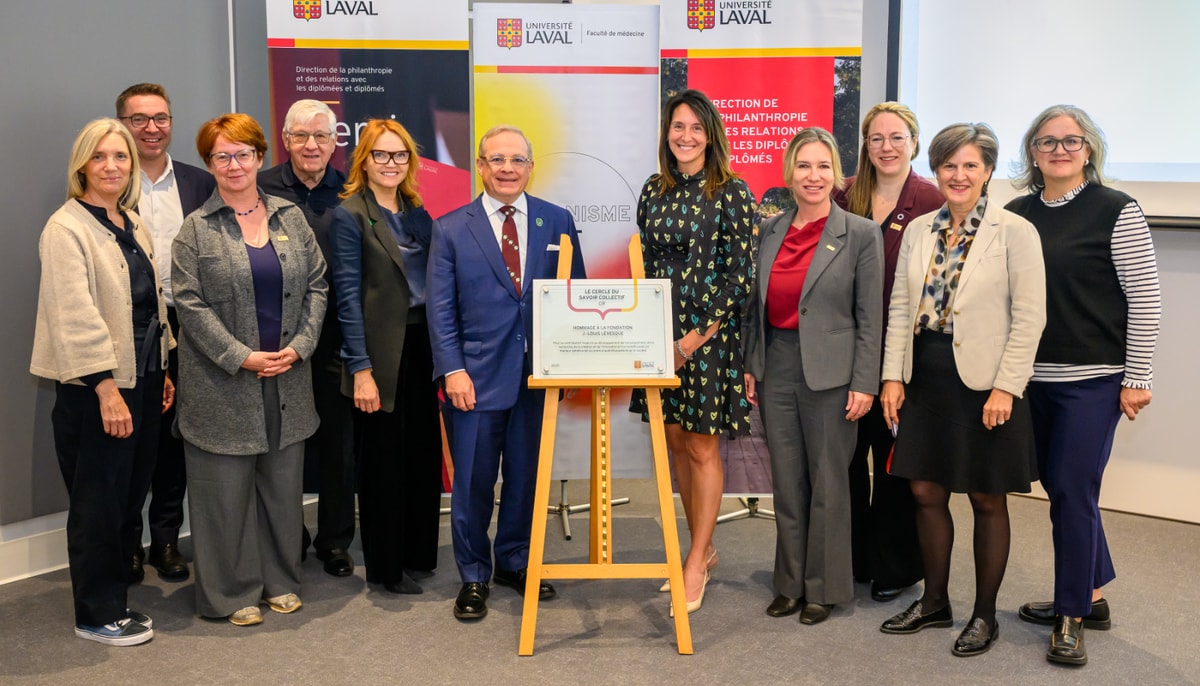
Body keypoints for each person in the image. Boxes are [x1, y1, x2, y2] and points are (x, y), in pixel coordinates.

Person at [878, 123, 1045, 657]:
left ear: (989, 171)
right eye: (949, 165)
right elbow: (901, 308)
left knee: (986, 497)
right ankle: (935, 602)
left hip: (985, 381)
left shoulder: (1013, 230)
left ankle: (984, 614)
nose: (958, 175)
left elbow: (1030, 317)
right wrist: (892, 375)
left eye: (970, 165)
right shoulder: (920, 229)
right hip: (925, 372)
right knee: (925, 490)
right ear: (937, 170)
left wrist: (1007, 388)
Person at [1006, 105, 1161, 666]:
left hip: (1095, 379)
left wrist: (1138, 377)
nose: (1060, 149)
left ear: (1089, 149)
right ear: (1032, 153)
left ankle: (1069, 616)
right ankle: (1092, 594)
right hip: (1032, 378)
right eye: (1046, 142)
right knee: (1064, 486)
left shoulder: (1117, 210)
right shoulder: (1017, 213)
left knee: (1071, 489)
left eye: (1071, 141)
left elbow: (1144, 298)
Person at [172, 113, 327, 627]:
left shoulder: (289, 217)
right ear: (209, 164)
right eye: (222, 155)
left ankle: (280, 580)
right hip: (224, 383)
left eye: (242, 154)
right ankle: (230, 592)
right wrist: (240, 355)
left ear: (260, 157)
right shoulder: (195, 229)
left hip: (287, 376)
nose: (233, 164)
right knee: (225, 493)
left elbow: (318, 285)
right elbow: (189, 305)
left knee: (282, 489)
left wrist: (302, 345)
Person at [429, 125, 586, 620]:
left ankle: (515, 562)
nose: (507, 169)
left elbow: (572, 296)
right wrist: (452, 370)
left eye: (517, 160)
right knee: (474, 483)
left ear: (530, 167)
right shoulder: (452, 227)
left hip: (538, 380)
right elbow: (441, 310)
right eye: (496, 159)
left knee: (526, 479)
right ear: (480, 166)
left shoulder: (556, 221)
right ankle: (474, 574)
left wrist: (565, 366)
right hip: (473, 381)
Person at [31, 118, 174, 645]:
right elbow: (75, 317)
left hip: (143, 376)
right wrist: (107, 389)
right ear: (82, 166)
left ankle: (116, 597)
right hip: (96, 390)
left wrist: (162, 367)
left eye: (121, 157)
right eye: (100, 157)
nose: (112, 166)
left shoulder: (131, 222)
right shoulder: (66, 228)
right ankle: (96, 614)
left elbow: (148, 307)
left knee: (127, 496)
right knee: (97, 504)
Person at [743, 127, 883, 625]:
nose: (814, 176)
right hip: (778, 366)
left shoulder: (860, 234)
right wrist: (753, 366)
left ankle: (823, 588)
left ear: (836, 173)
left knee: (828, 482)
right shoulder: (770, 229)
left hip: (834, 375)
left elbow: (871, 318)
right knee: (786, 482)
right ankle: (789, 583)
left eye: (824, 166)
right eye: (804, 166)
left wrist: (866, 382)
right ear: (789, 172)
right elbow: (754, 308)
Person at [629, 89, 756, 614]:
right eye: (677, 126)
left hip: (706, 340)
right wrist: (654, 337)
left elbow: (740, 275)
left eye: (695, 128)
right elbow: (645, 264)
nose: (685, 136)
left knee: (703, 446)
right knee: (677, 442)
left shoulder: (731, 192)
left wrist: (690, 340)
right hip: (657, 335)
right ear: (667, 133)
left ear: (711, 135)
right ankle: (702, 548)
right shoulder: (652, 189)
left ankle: (695, 558)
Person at [834, 102, 943, 602]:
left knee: (897, 467)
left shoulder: (933, 200)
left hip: (905, 359)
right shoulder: (844, 195)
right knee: (850, 462)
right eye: (876, 138)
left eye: (896, 137)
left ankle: (895, 567)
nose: (886, 147)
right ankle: (853, 559)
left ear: (914, 143)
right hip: (847, 356)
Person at [328, 119, 443, 594]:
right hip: (378, 355)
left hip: (422, 348)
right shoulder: (350, 215)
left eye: (399, 156)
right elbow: (348, 298)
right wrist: (361, 370)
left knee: (422, 456)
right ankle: (387, 567)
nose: (391, 164)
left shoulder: (417, 212)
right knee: (382, 464)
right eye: (381, 155)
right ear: (364, 160)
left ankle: (419, 554)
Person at [115, 83, 216, 583]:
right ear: (122, 124)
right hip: (131, 326)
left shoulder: (200, 183)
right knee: (135, 437)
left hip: (188, 322)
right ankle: (129, 545)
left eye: (160, 118)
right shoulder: (110, 181)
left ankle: (167, 541)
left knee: (177, 435)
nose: (152, 128)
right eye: (139, 119)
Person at [259, 99, 356, 577]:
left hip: (338, 338)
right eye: (302, 136)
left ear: (336, 141)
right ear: (286, 139)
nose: (312, 145)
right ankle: (287, 536)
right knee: (283, 445)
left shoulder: (352, 191)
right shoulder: (260, 188)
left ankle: (335, 541)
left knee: (339, 445)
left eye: (322, 136)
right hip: (277, 341)